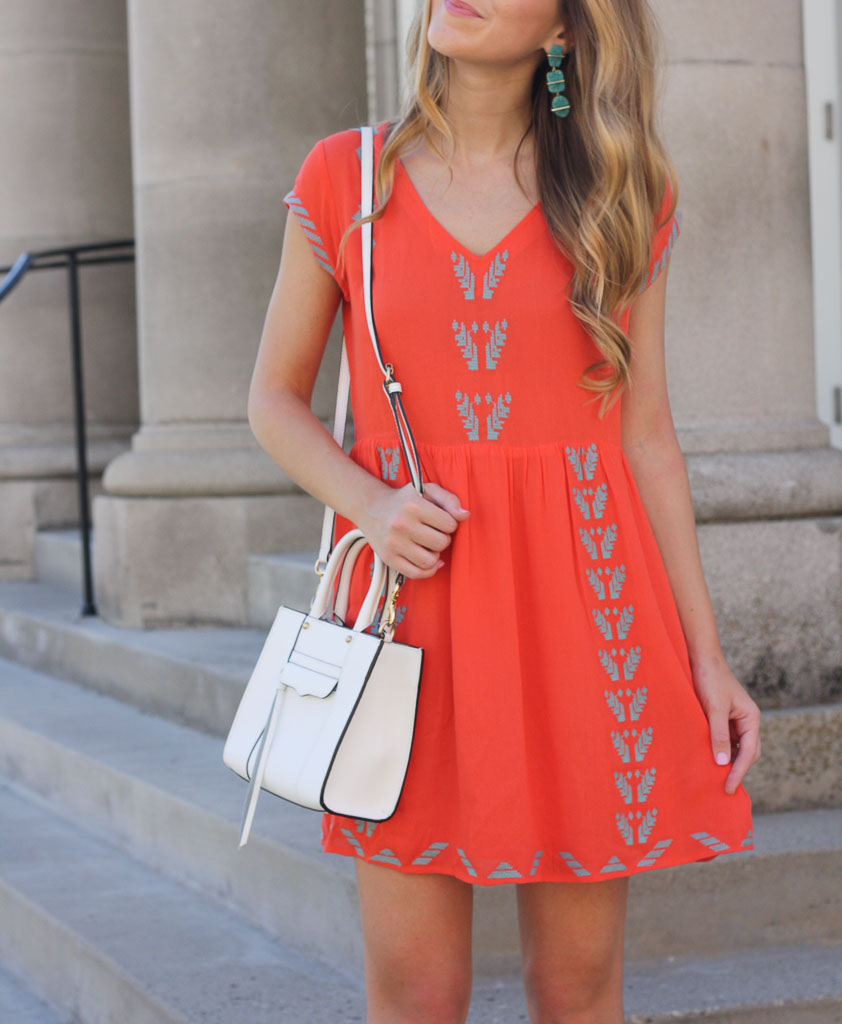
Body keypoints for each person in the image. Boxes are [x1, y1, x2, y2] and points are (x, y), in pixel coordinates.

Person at [248, 1, 762, 1020]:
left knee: (575, 987)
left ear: (564, 32)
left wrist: (705, 653)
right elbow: (272, 398)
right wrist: (371, 502)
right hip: (410, 617)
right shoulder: (346, 179)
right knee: (414, 989)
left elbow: (645, 434)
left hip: (586, 617)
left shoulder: (624, 190)